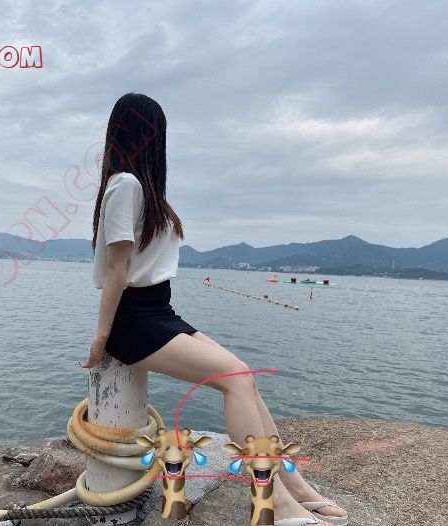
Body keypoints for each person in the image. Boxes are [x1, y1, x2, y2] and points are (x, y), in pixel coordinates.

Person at [79, 92, 348, 526]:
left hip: (158, 310)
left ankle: (296, 487)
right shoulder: (125, 185)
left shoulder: (140, 189)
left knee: (244, 377)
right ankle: (276, 504)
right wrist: (102, 337)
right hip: (133, 319)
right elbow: (116, 269)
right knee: (236, 379)